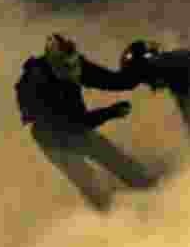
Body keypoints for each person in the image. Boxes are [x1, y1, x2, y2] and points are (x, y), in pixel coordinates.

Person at [15, 34, 154, 212]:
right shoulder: (38, 85)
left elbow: (111, 80)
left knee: (115, 159)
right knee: (89, 181)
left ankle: (146, 188)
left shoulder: (73, 65)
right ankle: (110, 216)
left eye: (74, 65)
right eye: (67, 67)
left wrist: (136, 71)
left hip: (74, 127)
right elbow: (76, 123)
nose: (73, 72)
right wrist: (111, 112)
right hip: (53, 139)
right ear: (54, 64)